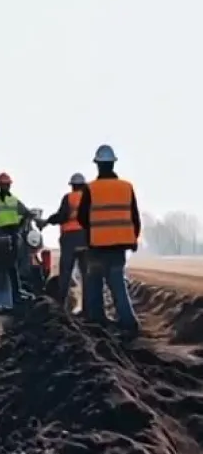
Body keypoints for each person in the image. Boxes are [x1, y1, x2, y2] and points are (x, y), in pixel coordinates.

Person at [76, 144, 141, 337]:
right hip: (120, 246)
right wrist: (133, 238)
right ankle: (128, 323)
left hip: (97, 245)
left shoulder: (91, 189)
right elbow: (134, 217)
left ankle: (98, 322)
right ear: (113, 164)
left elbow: (82, 217)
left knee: (94, 282)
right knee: (117, 283)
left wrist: (94, 231)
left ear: (98, 165)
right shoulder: (126, 187)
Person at [0, 172, 42, 305]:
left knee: (7, 265)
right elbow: (27, 213)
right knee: (12, 265)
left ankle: (14, 293)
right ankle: (16, 293)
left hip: (3, 236)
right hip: (12, 235)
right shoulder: (13, 200)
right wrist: (20, 225)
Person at [41, 172, 88, 312]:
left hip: (69, 239)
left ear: (73, 186)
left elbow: (62, 216)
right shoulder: (89, 199)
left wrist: (48, 221)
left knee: (66, 274)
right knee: (86, 275)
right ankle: (87, 309)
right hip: (86, 239)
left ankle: (61, 308)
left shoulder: (69, 198)